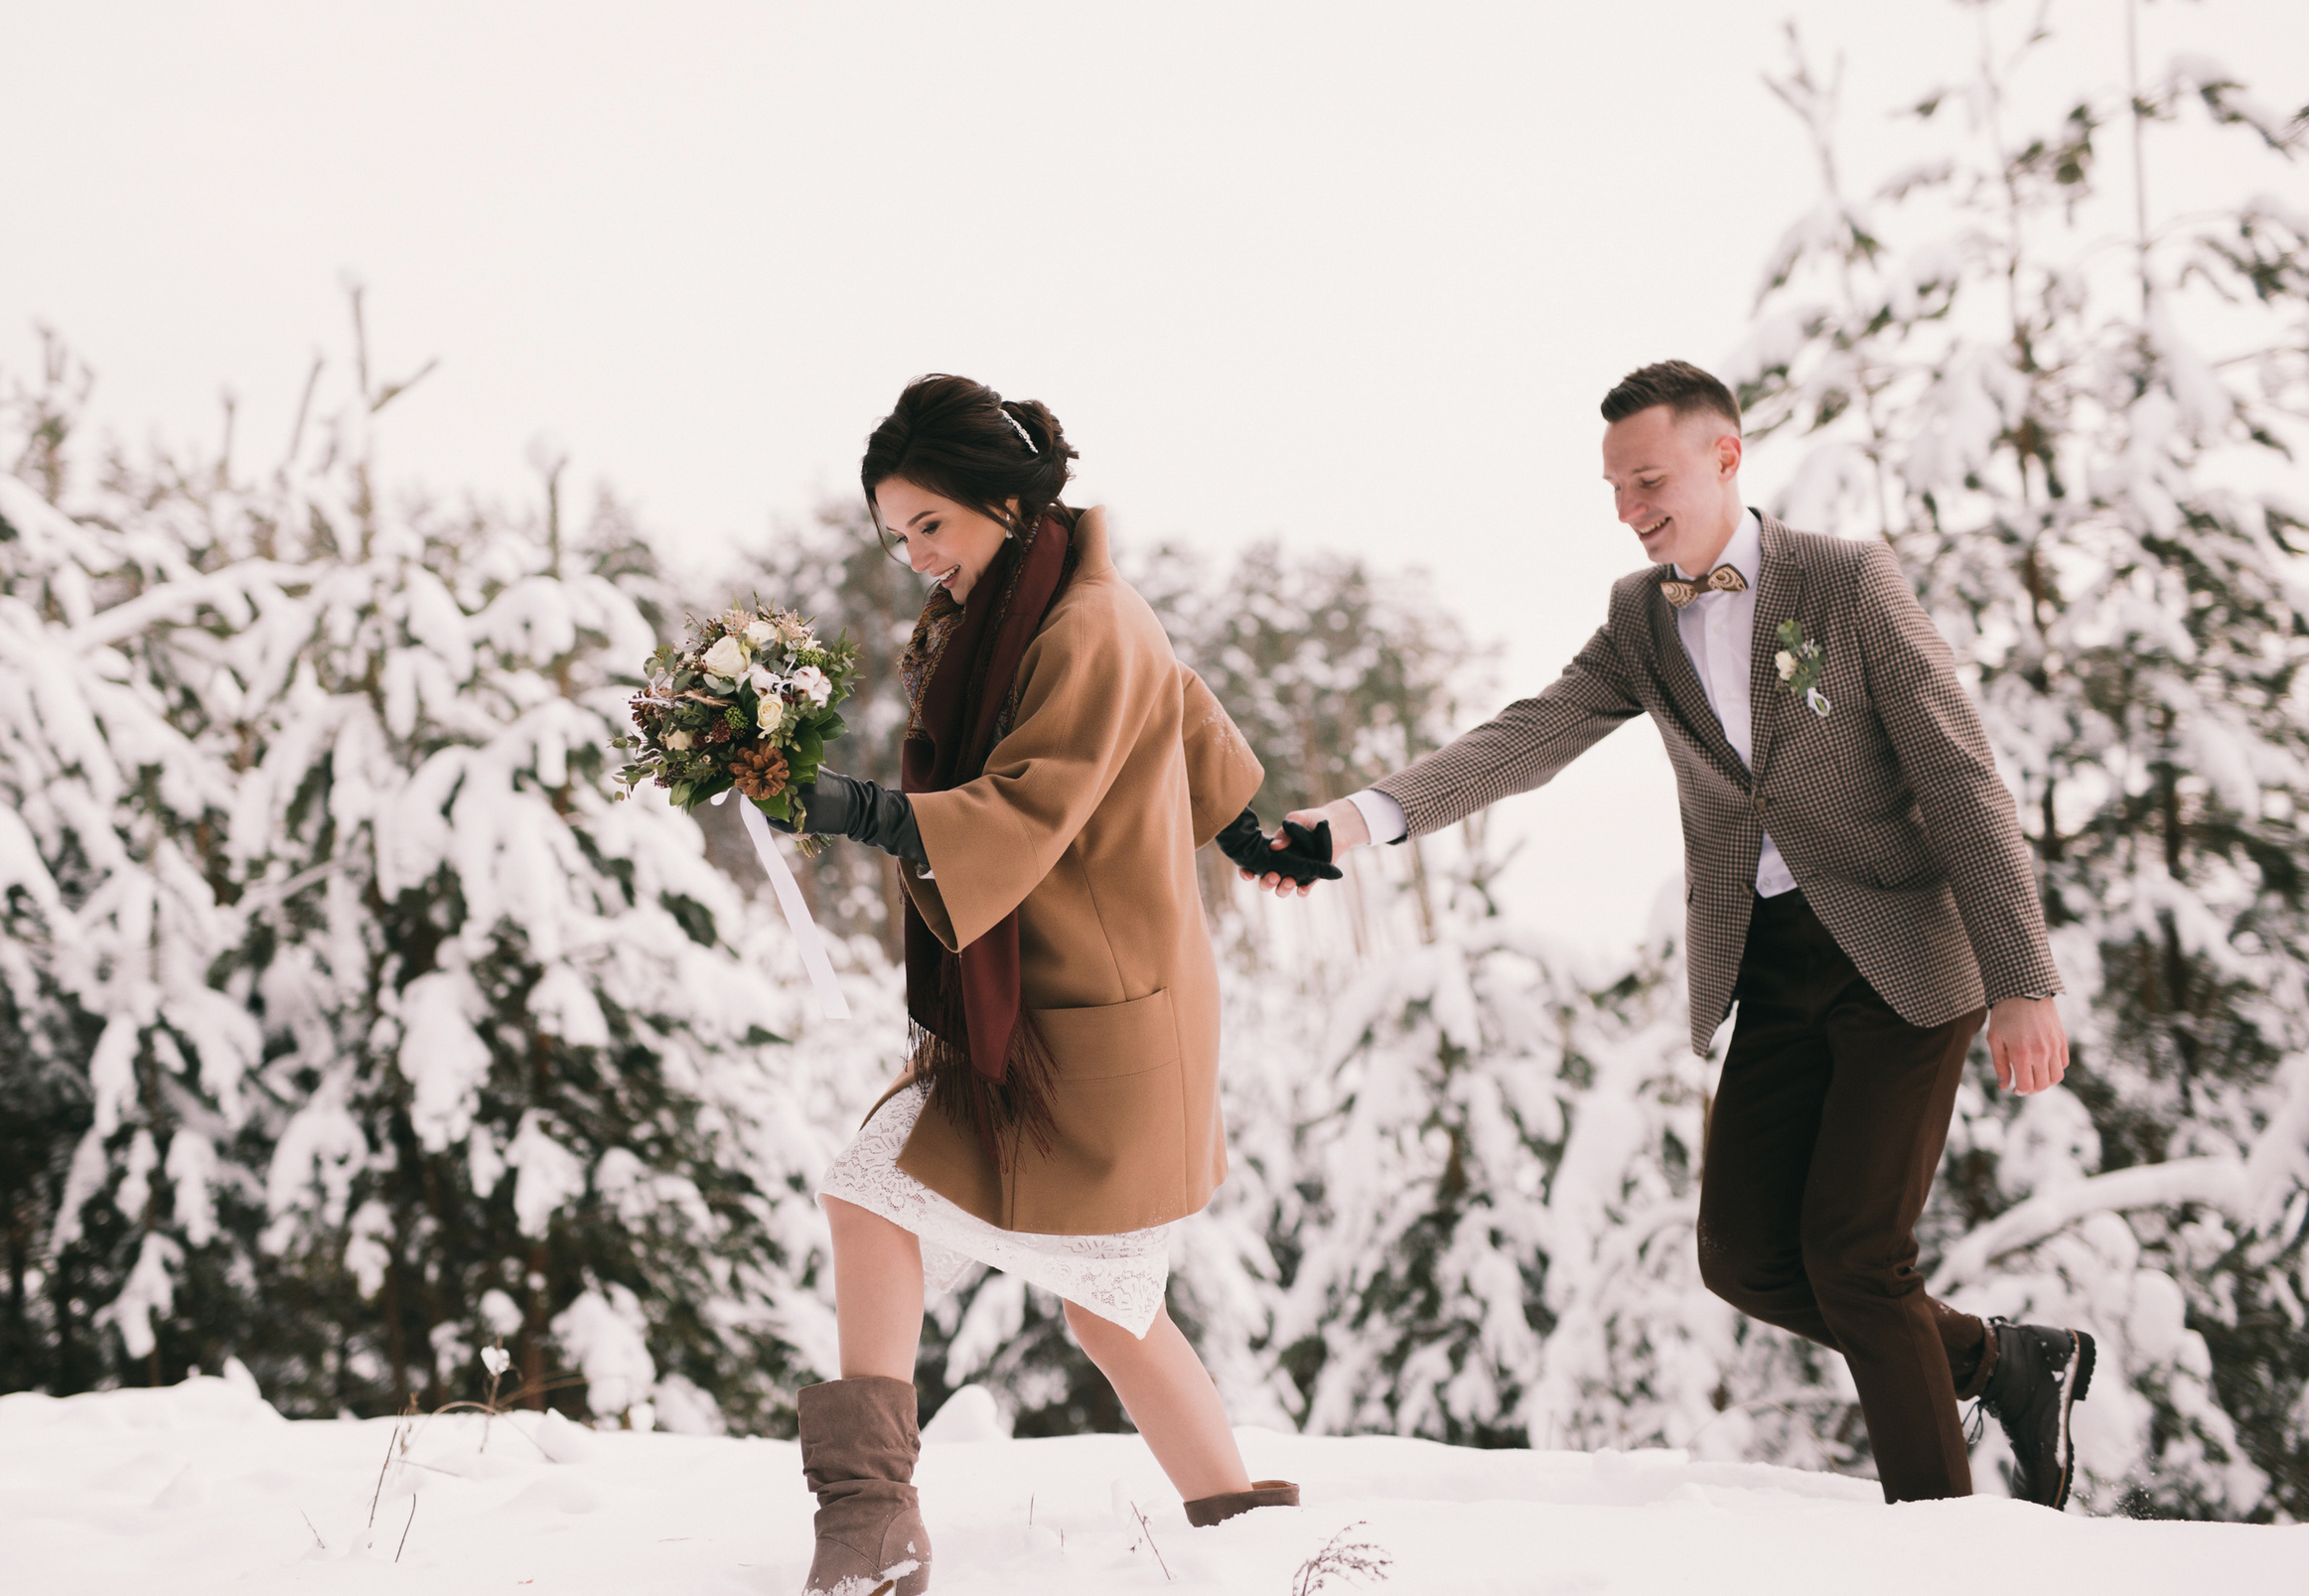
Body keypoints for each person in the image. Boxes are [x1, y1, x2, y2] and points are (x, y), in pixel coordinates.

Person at [1251, 361, 2095, 1509]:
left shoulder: (1847, 584)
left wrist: (2022, 978)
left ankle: (1939, 1549)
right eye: (1612, 486)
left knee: (1854, 1257)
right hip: (1773, 961)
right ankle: (2000, 1362)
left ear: (1725, 455)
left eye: (1647, 477)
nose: (1628, 506)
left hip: (1903, 954)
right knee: (1745, 1255)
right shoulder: (1640, 618)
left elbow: (1960, 782)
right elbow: (1531, 733)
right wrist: (1350, 822)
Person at [776, 374, 1321, 1596]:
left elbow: (1030, 797)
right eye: (897, 533)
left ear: (1007, 504)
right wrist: (1243, 829)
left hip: (1094, 1018)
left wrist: (854, 807)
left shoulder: (1082, 623)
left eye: (933, 524)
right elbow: (1181, 705)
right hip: (1054, 1001)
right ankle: (892, 1518)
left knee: (1061, 1277)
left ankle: (887, 1519)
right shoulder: (1046, 601)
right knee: (1052, 1273)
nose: (916, 554)